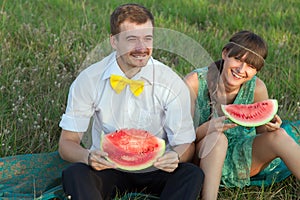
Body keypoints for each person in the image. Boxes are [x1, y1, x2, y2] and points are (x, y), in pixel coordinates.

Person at [58, 3, 204, 200]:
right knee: (75, 173)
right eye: (132, 39)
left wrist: (176, 157)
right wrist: (88, 157)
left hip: (156, 168)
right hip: (109, 166)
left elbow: (185, 145)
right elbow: (67, 143)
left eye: (147, 39)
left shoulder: (171, 82)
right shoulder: (89, 79)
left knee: (191, 174)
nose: (141, 48)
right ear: (114, 41)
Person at [185, 30, 300, 200]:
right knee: (218, 139)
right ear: (225, 53)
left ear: (257, 71)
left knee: (280, 135)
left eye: (251, 66)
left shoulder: (257, 88)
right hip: (202, 156)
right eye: (238, 59)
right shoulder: (194, 82)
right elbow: (181, 140)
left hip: (240, 159)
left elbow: (261, 132)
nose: (241, 69)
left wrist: (270, 127)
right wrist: (209, 128)